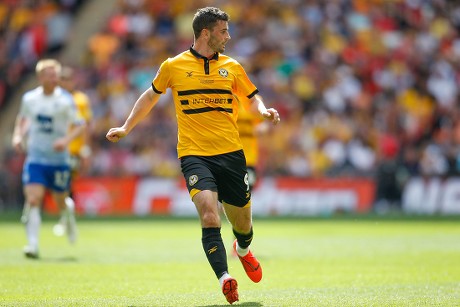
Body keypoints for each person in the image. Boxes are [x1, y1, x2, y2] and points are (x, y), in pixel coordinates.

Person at [106, 7, 280, 305]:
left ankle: (242, 249)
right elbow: (149, 96)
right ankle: (226, 278)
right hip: (194, 155)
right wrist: (125, 127)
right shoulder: (173, 66)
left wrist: (263, 110)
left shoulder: (232, 67)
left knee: (243, 226)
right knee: (210, 215)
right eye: (224, 31)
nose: (229, 36)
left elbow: (253, 96)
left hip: (231, 154)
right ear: (205, 33)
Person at [11, 59, 85, 259]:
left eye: (56, 75)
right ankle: (33, 245)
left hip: (59, 160)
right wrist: (18, 136)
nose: (55, 79)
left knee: (61, 201)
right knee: (34, 199)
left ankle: (67, 215)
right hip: (36, 158)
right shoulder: (30, 99)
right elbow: (23, 118)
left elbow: (80, 124)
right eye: (50, 75)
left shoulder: (65, 100)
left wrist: (65, 140)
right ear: (41, 77)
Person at [52, 66, 93, 237]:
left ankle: (66, 217)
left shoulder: (80, 100)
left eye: (67, 80)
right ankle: (67, 215)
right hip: (55, 148)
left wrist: (85, 150)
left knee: (65, 182)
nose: (64, 83)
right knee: (60, 185)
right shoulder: (54, 100)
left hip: (73, 150)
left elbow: (86, 126)